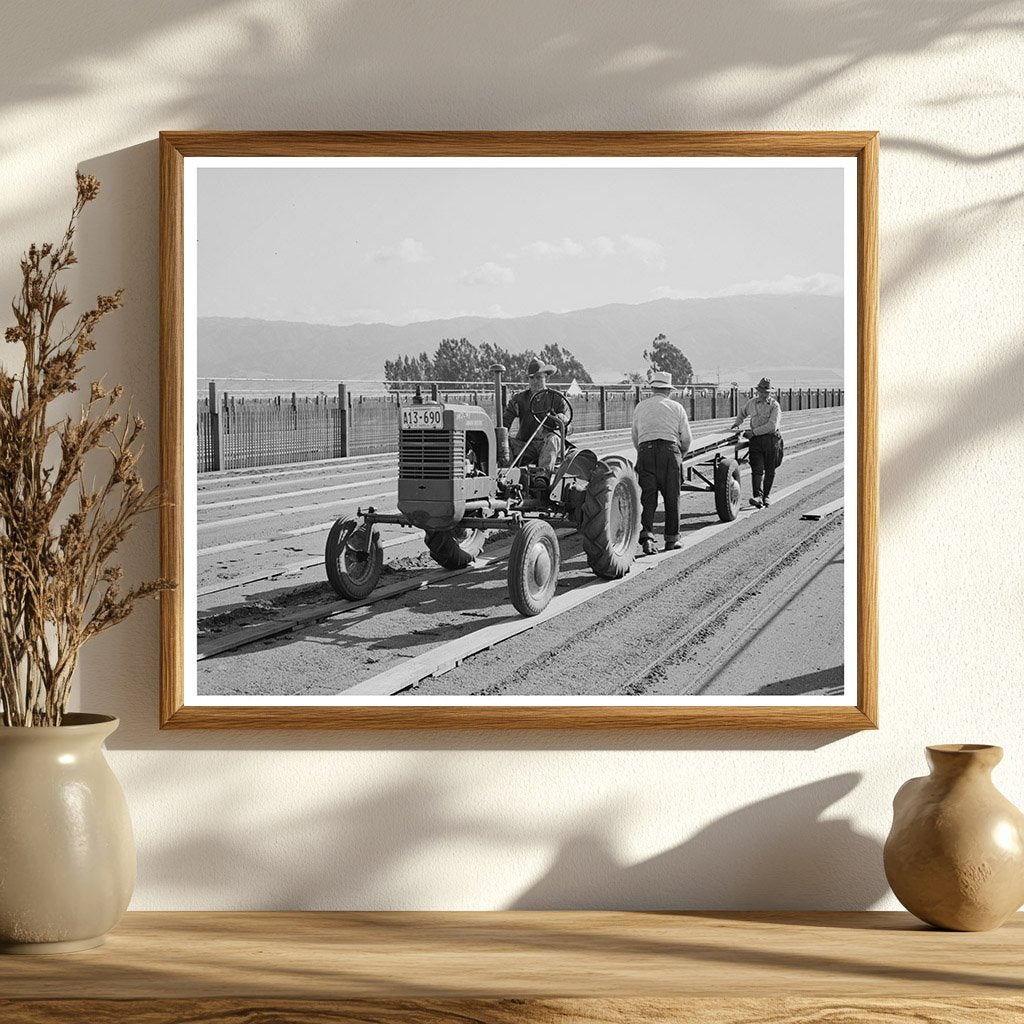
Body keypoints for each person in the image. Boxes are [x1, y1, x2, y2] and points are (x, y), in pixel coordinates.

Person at [631, 371, 692, 555]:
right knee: (672, 497)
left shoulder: (641, 407)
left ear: (653, 388)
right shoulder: (677, 408)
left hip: (645, 451)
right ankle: (672, 539)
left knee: (647, 498)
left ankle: (647, 539)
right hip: (670, 451)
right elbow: (686, 438)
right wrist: (679, 454)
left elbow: (635, 436)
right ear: (669, 390)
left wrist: (644, 453)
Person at [502, 358, 568, 473]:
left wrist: (563, 419)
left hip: (548, 445)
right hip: (526, 445)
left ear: (546, 378)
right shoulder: (519, 399)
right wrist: (501, 437)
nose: (535, 381)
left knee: (553, 438)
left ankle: (541, 477)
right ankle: (507, 476)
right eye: (531, 378)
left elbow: (569, 426)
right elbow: (505, 423)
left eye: (538, 377)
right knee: (504, 443)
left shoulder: (557, 399)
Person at [732, 376, 782, 508]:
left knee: (770, 470)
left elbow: (772, 426)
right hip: (756, 441)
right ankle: (757, 496)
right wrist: (737, 424)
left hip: (771, 440)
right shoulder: (752, 403)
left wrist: (753, 432)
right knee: (757, 468)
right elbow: (742, 413)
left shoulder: (774, 406)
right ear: (757, 391)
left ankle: (766, 496)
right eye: (761, 391)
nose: (763, 394)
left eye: (766, 392)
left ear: (770, 393)